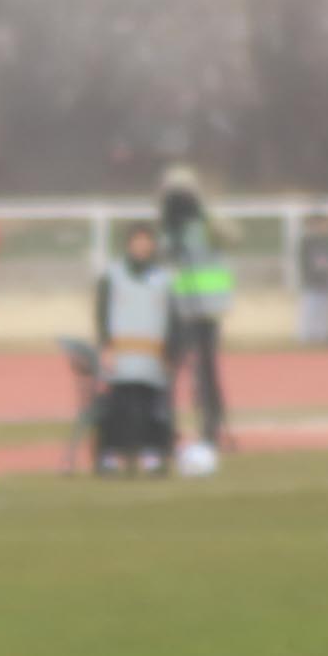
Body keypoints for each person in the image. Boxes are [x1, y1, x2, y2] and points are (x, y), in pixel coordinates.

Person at [96, 222, 176, 473]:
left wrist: (168, 352)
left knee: (150, 408)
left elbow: (170, 316)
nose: (142, 247)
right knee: (118, 407)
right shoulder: (113, 275)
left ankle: (151, 454)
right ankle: (112, 455)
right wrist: (106, 347)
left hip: (151, 357)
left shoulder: (162, 278)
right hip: (121, 356)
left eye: (146, 242)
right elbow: (101, 313)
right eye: (137, 241)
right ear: (129, 245)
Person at [160, 172, 232, 449]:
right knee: (172, 369)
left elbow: (232, 237)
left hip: (206, 310)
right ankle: (166, 423)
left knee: (206, 371)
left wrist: (204, 214)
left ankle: (211, 424)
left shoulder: (208, 224)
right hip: (179, 309)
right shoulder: (167, 229)